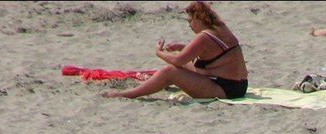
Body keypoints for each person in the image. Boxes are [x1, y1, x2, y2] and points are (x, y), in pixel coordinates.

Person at [103, 1, 247, 99]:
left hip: (225, 89)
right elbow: (212, 53)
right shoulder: (221, 28)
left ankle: (128, 94)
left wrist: (159, 53)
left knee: (169, 71)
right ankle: (155, 83)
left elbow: (179, 60)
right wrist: (182, 48)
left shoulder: (204, 37)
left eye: (190, 21)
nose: (189, 26)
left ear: (198, 18)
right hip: (239, 85)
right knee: (182, 65)